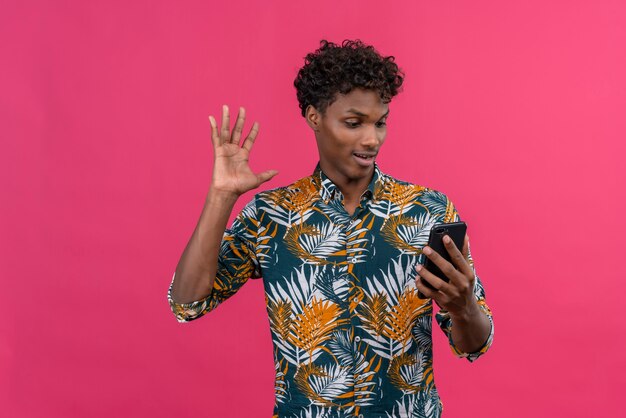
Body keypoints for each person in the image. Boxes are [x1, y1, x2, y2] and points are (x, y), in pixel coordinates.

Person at [168, 39, 493, 418]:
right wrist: (221, 197)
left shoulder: (427, 210)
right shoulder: (271, 214)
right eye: (354, 123)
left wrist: (464, 306)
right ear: (314, 117)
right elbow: (187, 303)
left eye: (381, 122)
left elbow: (474, 344)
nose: (372, 139)